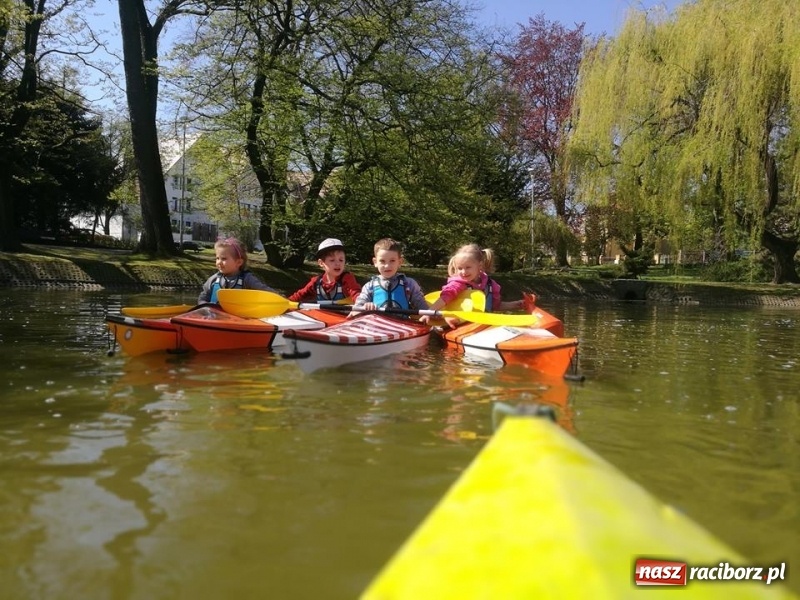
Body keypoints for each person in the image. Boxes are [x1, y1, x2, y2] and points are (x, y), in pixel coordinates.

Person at [421, 243, 527, 327]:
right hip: (459, 324)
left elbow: (495, 306)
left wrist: (516, 304)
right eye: (460, 268)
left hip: (482, 323)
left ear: (479, 265)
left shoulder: (490, 285)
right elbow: (445, 298)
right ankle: (448, 320)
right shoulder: (457, 284)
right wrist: (429, 312)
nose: (463, 272)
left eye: (468, 267)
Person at [350, 238, 429, 316]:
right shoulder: (369, 286)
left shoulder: (409, 284)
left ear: (400, 262)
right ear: (375, 262)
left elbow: (422, 305)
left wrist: (429, 315)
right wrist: (364, 307)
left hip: (402, 325)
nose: (387, 266)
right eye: (382, 261)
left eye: (392, 261)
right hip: (377, 325)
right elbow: (358, 307)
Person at [198, 237, 278, 304]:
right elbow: (203, 297)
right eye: (217, 258)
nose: (219, 262)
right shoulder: (214, 279)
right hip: (214, 317)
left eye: (224, 259)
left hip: (239, 318)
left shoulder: (247, 279)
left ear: (238, 262)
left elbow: (266, 291)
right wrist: (204, 305)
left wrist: (280, 299)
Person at [287, 238, 361, 303]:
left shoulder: (347, 278)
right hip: (323, 316)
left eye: (341, 260)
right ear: (321, 263)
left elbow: (355, 293)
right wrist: (287, 302)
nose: (338, 263)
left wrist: (361, 302)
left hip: (345, 316)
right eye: (332, 260)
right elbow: (300, 295)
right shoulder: (316, 282)